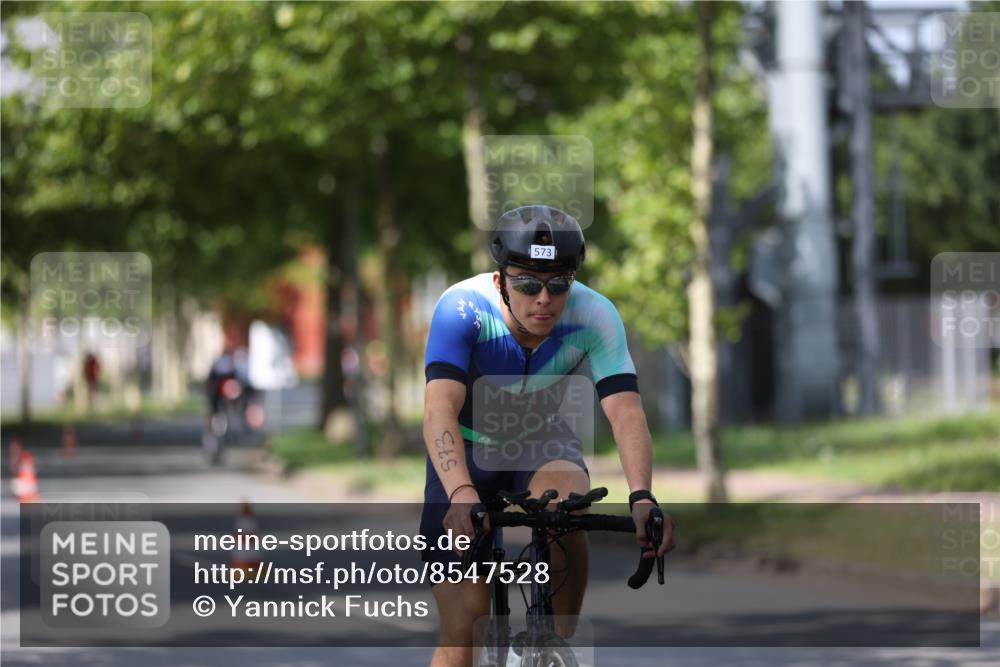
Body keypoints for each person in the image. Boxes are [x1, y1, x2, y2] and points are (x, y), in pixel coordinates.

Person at [419, 204, 674, 667]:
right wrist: (459, 490)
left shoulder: (595, 315)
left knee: (566, 510)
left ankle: (558, 637)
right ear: (500, 281)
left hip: (541, 439)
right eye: (527, 283)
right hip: (467, 445)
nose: (544, 299)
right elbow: (439, 409)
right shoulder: (462, 308)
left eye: (558, 284)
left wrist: (642, 496)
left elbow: (626, 412)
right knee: (465, 624)